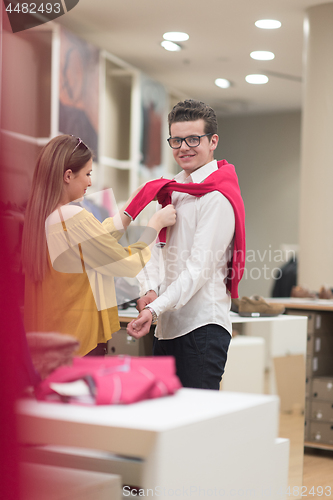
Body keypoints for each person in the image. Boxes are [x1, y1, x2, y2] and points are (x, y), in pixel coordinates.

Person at [127, 100, 245, 390]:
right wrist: (150, 289)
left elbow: (197, 270)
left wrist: (154, 308)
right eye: (176, 140)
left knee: (198, 427)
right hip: (168, 326)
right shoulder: (174, 190)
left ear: (212, 141)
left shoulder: (216, 197)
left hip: (202, 327)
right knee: (167, 422)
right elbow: (158, 250)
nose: (184, 147)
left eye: (193, 139)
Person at [21, 134, 176, 356]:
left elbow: (96, 242)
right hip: (77, 341)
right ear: (67, 175)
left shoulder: (44, 218)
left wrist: (132, 207)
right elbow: (125, 264)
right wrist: (155, 224)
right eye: (87, 174)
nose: (90, 182)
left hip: (50, 341)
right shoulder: (72, 216)